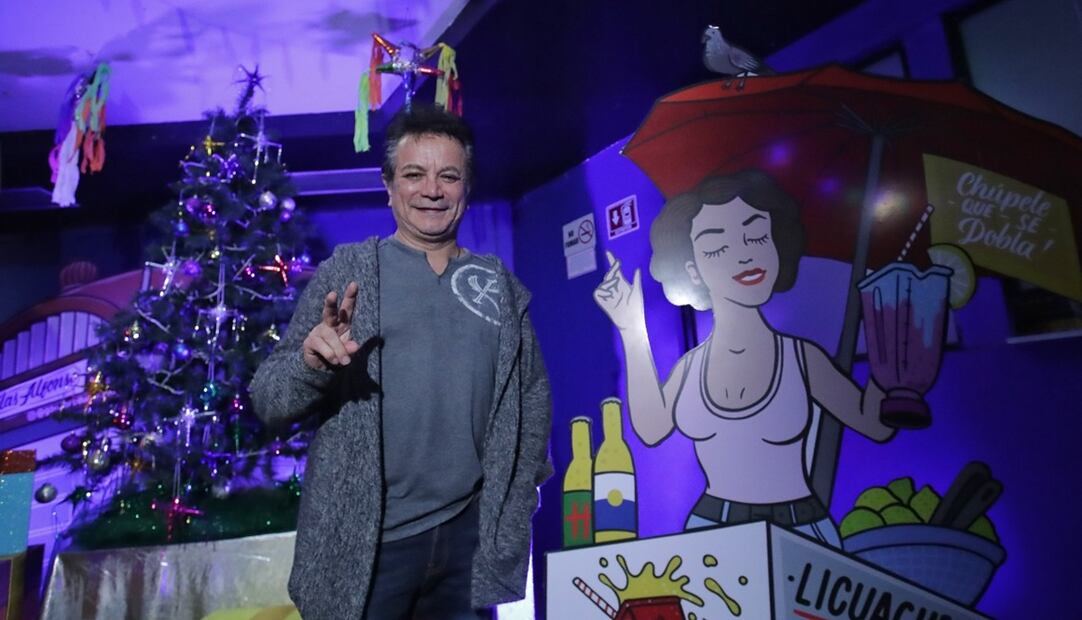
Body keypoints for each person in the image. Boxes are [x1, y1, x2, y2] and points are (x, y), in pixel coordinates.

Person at [251, 105, 553, 620]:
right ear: (388, 185)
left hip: (468, 540)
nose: (431, 190)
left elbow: (532, 405)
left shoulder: (498, 287)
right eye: (414, 175)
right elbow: (268, 398)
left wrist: (512, 505)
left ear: (466, 187)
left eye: (448, 176)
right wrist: (310, 364)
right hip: (367, 547)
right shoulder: (350, 272)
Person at [593, 169, 894, 547]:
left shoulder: (801, 359)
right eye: (718, 247)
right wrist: (630, 326)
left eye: (756, 236)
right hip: (710, 529)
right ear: (692, 271)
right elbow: (651, 429)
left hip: (799, 531)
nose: (745, 254)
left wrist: (892, 356)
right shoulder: (689, 369)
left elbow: (875, 424)